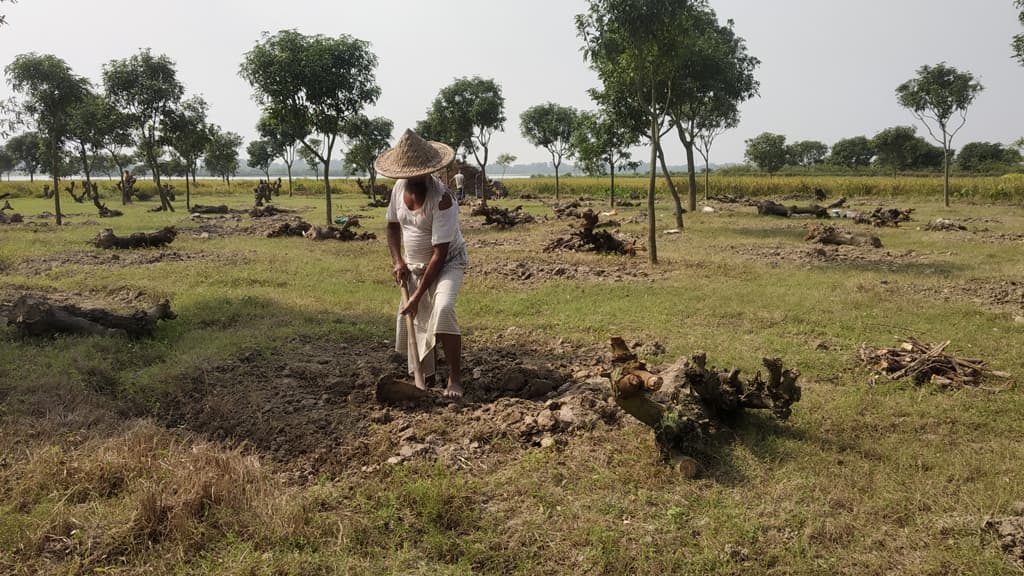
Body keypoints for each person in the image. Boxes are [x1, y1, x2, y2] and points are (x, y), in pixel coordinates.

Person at [376, 129, 468, 398]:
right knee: (416, 320)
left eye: (419, 174)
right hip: (415, 265)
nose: (413, 178)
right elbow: (392, 227)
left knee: (443, 308)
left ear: (429, 171)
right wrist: (397, 260)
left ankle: (454, 378)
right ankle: (424, 378)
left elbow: (439, 254)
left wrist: (417, 296)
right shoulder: (397, 190)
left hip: (448, 262)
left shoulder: (443, 200)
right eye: (409, 175)